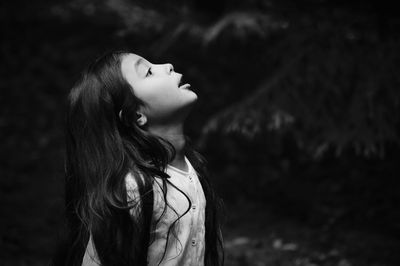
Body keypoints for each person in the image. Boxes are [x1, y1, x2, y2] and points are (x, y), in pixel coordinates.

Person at [51, 51, 225, 266]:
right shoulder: (132, 189)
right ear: (136, 115)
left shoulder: (193, 168)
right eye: (149, 72)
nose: (168, 65)